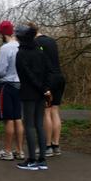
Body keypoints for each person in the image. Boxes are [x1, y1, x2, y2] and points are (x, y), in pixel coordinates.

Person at [15, 24, 52, 170]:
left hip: (28, 92)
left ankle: (31, 159)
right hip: (41, 93)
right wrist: (45, 89)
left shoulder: (21, 53)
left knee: (29, 125)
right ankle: (42, 159)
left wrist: (40, 87)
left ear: (20, 37)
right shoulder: (40, 51)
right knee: (39, 125)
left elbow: (25, 74)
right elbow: (48, 70)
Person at [0, 21, 25, 161]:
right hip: (20, 84)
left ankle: (7, 150)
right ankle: (20, 150)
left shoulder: (6, 48)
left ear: (3, 34)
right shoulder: (20, 46)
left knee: (8, 119)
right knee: (18, 118)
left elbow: (1, 69)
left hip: (8, 85)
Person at [35, 24, 65, 157]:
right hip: (59, 77)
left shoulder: (36, 43)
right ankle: (56, 145)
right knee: (55, 110)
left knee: (45, 112)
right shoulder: (52, 40)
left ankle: (46, 146)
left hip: (48, 80)